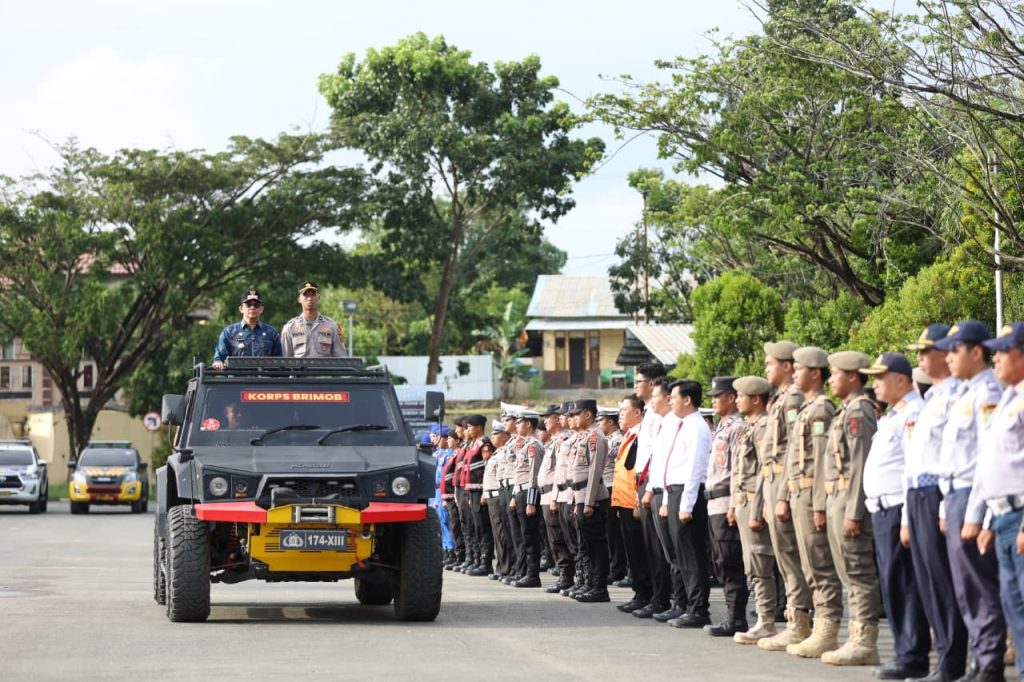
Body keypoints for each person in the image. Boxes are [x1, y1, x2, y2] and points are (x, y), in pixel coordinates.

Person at [936, 321, 1008, 680]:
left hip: (973, 496)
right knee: (964, 585)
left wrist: (976, 513)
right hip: (955, 494)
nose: (947, 357)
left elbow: (986, 458)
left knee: (979, 583)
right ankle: (981, 656)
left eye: (955, 350)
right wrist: (944, 503)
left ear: (976, 352)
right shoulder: (962, 393)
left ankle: (990, 659)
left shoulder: (988, 393)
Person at [900, 323, 969, 682]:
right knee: (928, 581)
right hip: (917, 493)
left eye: (926, 351)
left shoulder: (957, 394)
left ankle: (952, 661)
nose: (920, 357)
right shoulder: (932, 397)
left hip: (936, 494)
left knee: (942, 581)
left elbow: (952, 454)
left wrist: (941, 505)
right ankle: (944, 656)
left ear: (945, 353)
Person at [862, 352, 934, 677]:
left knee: (904, 586)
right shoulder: (893, 415)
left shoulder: (913, 414)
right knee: (892, 587)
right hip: (882, 511)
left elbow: (912, 469)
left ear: (901, 380)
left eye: (880, 377)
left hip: (897, 510)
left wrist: (907, 518)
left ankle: (913, 657)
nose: (875, 384)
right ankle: (905, 652)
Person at [820, 351, 883, 666]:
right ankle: (854, 636)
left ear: (853, 376)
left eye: (835, 373)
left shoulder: (859, 412)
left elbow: (860, 465)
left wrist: (854, 512)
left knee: (859, 571)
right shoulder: (846, 410)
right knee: (847, 571)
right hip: (836, 498)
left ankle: (864, 641)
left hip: (849, 499)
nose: (830, 378)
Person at [782, 346, 842, 659]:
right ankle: (812, 625)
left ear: (815, 373)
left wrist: (819, 504)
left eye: (800, 369)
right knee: (807, 563)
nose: (794, 373)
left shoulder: (821, 409)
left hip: (811, 495)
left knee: (820, 563)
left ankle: (827, 628)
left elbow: (821, 461)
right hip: (798, 492)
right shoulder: (807, 408)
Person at [756, 341, 814, 652]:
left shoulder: (792, 401)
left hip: (786, 484)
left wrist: (781, 495)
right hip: (774, 482)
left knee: (794, 557)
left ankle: (800, 622)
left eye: (771, 363)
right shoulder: (780, 400)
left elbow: (794, 450)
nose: (767, 368)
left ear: (788, 367)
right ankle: (796, 621)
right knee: (785, 558)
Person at [977, 323, 1024, 678]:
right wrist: (991, 522)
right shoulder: (1009, 397)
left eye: (1001, 352)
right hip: (1004, 517)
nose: (995, 358)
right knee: (1014, 607)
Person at [662, 379, 713, 629]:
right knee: (681, 554)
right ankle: (688, 606)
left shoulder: (697, 427)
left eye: (674, 396)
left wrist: (687, 503)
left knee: (692, 555)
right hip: (674, 492)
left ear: (687, 399)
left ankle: (698, 608)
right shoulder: (683, 424)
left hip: (687, 492)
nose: (670, 401)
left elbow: (695, 467)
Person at [732, 375, 779, 645]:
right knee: (753, 564)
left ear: (757, 399)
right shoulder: (749, 427)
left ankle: (766, 621)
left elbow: (764, 471)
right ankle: (764, 619)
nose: (737, 399)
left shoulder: (762, 427)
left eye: (741, 395)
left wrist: (756, 510)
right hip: (743, 501)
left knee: (760, 563)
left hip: (754, 503)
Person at [704, 376, 750, 637]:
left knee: (730, 561)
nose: (713, 400)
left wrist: (734, 505)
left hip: (725, 502)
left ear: (731, 397)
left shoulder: (737, 428)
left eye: (717, 395)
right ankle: (733, 616)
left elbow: (738, 471)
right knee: (721, 560)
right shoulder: (721, 428)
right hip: (714, 502)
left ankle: (736, 618)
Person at [631, 362, 674, 619]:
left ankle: (661, 598)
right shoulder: (649, 412)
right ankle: (650, 595)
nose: (635, 386)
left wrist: (648, 488)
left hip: (653, 481)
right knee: (647, 545)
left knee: (658, 547)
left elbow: (657, 454)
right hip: (643, 481)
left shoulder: (659, 416)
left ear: (650, 384)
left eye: (638, 382)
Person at [643, 376, 687, 622]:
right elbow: (659, 463)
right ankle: (677, 602)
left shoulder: (680, 424)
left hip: (672, 493)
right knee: (669, 554)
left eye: (656, 396)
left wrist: (668, 498)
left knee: (679, 554)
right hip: (660, 491)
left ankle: (684, 603)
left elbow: (683, 466)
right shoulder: (663, 423)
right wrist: (650, 489)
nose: (653, 401)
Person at [612, 394, 654, 614]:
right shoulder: (629, 435)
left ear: (637, 413)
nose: (620, 415)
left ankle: (646, 593)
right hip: (624, 501)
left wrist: (636, 500)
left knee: (641, 550)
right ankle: (639, 592)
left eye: (624, 410)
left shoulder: (641, 437)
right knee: (632, 551)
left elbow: (639, 473)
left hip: (634, 502)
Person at [568, 399, 611, 603]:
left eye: (577, 414)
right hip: (581, 496)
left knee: (596, 543)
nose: (573, 418)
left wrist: (588, 502)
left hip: (591, 497)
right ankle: (592, 584)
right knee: (587, 543)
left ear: (588, 415)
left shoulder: (595, 436)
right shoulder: (583, 437)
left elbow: (594, 471)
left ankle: (600, 587)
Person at [539, 404, 574, 593]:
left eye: (548, 417)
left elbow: (562, 473)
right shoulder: (553, 441)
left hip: (557, 495)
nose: (545, 421)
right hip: (547, 495)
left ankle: (567, 577)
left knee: (560, 538)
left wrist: (554, 497)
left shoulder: (564, 440)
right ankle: (564, 576)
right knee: (554, 538)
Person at [509, 411, 545, 588]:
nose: (516, 425)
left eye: (520, 422)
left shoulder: (534, 446)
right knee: (524, 535)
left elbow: (534, 475)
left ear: (529, 424)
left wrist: (531, 501)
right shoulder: (525, 445)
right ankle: (524, 572)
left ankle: (532, 575)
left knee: (530, 535)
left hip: (529, 494)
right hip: (521, 493)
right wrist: (515, 496)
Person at [211, 289, 282, 369]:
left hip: (264, 379)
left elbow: (278, 360)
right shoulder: (229, 332)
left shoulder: (271, 332)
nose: (252, 308)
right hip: (237, 379)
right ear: (241, 309)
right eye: (248, 305)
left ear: (261, 309)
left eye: (256, 305)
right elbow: (219, 356)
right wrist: (218, 362)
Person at [598, 407, 628, 586]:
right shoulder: (606, 439)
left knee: (613, 533)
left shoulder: (617, 440)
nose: (598, 424)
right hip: (605, 486)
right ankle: (612, 566)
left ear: (610, 421)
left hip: (612, 487)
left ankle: (617, 569)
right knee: (607, 532)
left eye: (601, 420)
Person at [281, 281, 347, 358]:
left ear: (318, 298)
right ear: (299, 299)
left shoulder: (332, 326)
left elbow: (341, 357)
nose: (309, 298)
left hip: (323, 369)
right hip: (299, 369)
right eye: (306, 295)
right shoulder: (290, 327)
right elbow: (284, 358)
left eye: (312, 295)